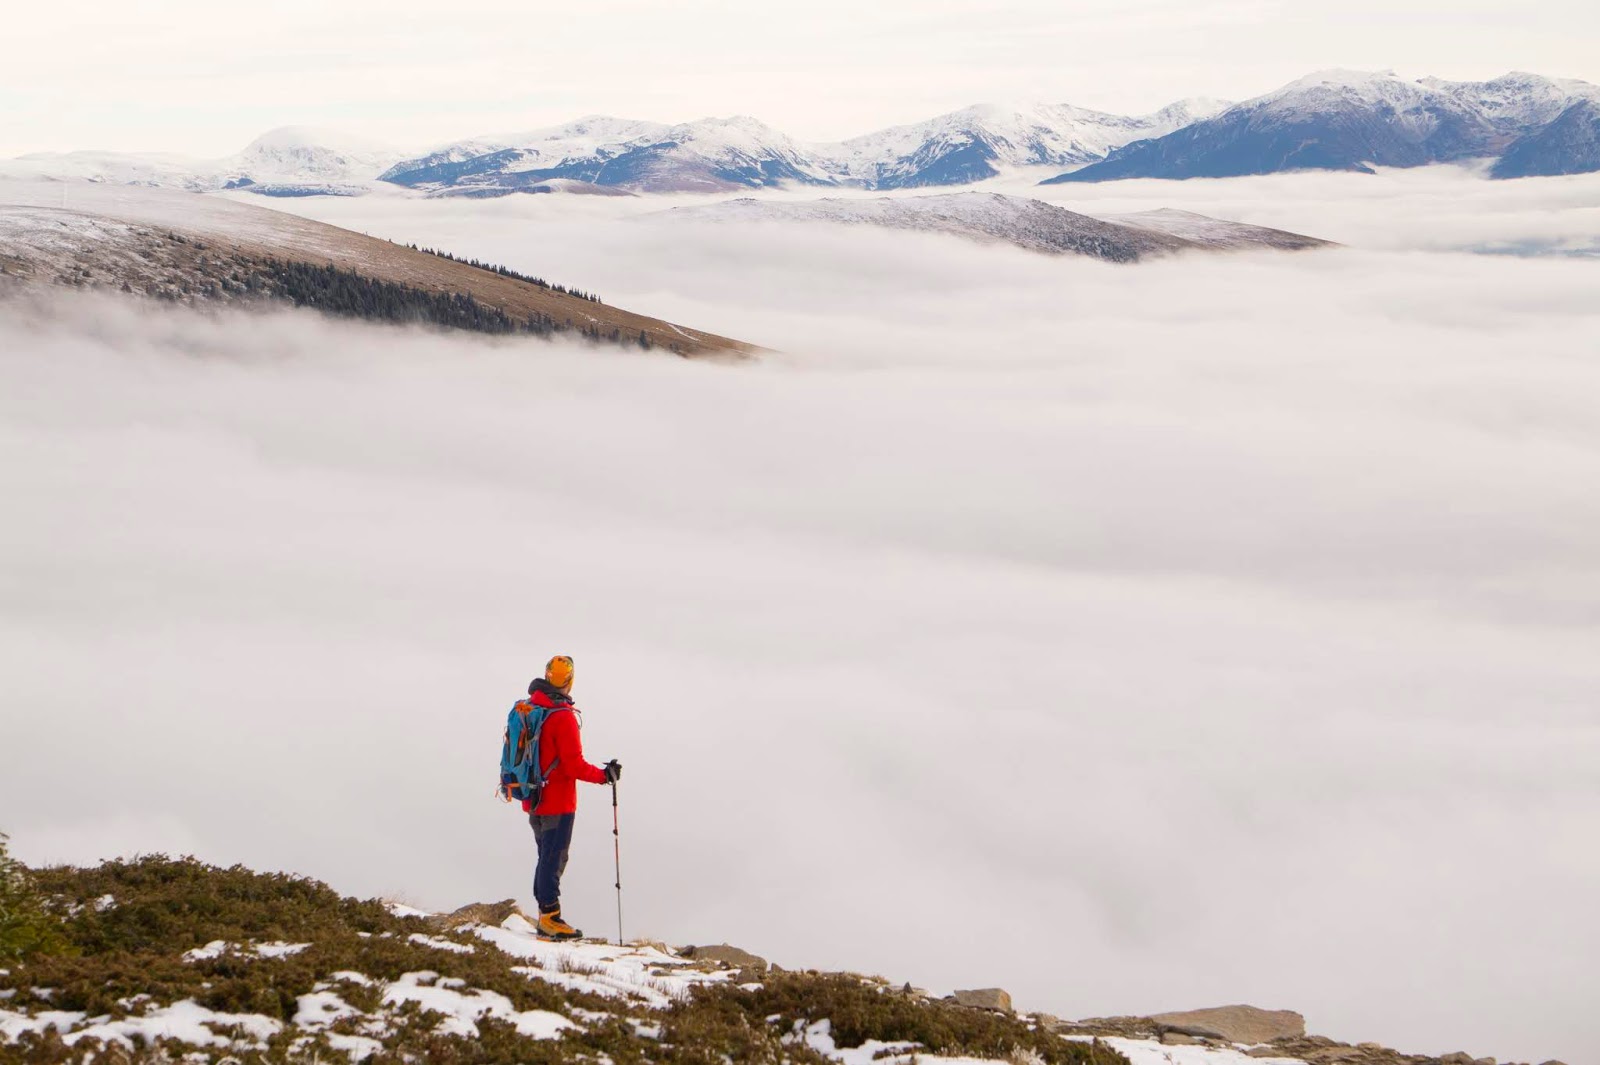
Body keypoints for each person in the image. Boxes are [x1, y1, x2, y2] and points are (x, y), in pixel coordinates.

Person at [522, 655, 620, 941]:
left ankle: (545, 913)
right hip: (557, 801)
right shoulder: (562, 716)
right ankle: (550, 918)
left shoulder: (531, 707)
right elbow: (573, 765)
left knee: (546, 857)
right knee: (553, 859)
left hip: (533, 797)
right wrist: (605, 776)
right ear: (569, 681)